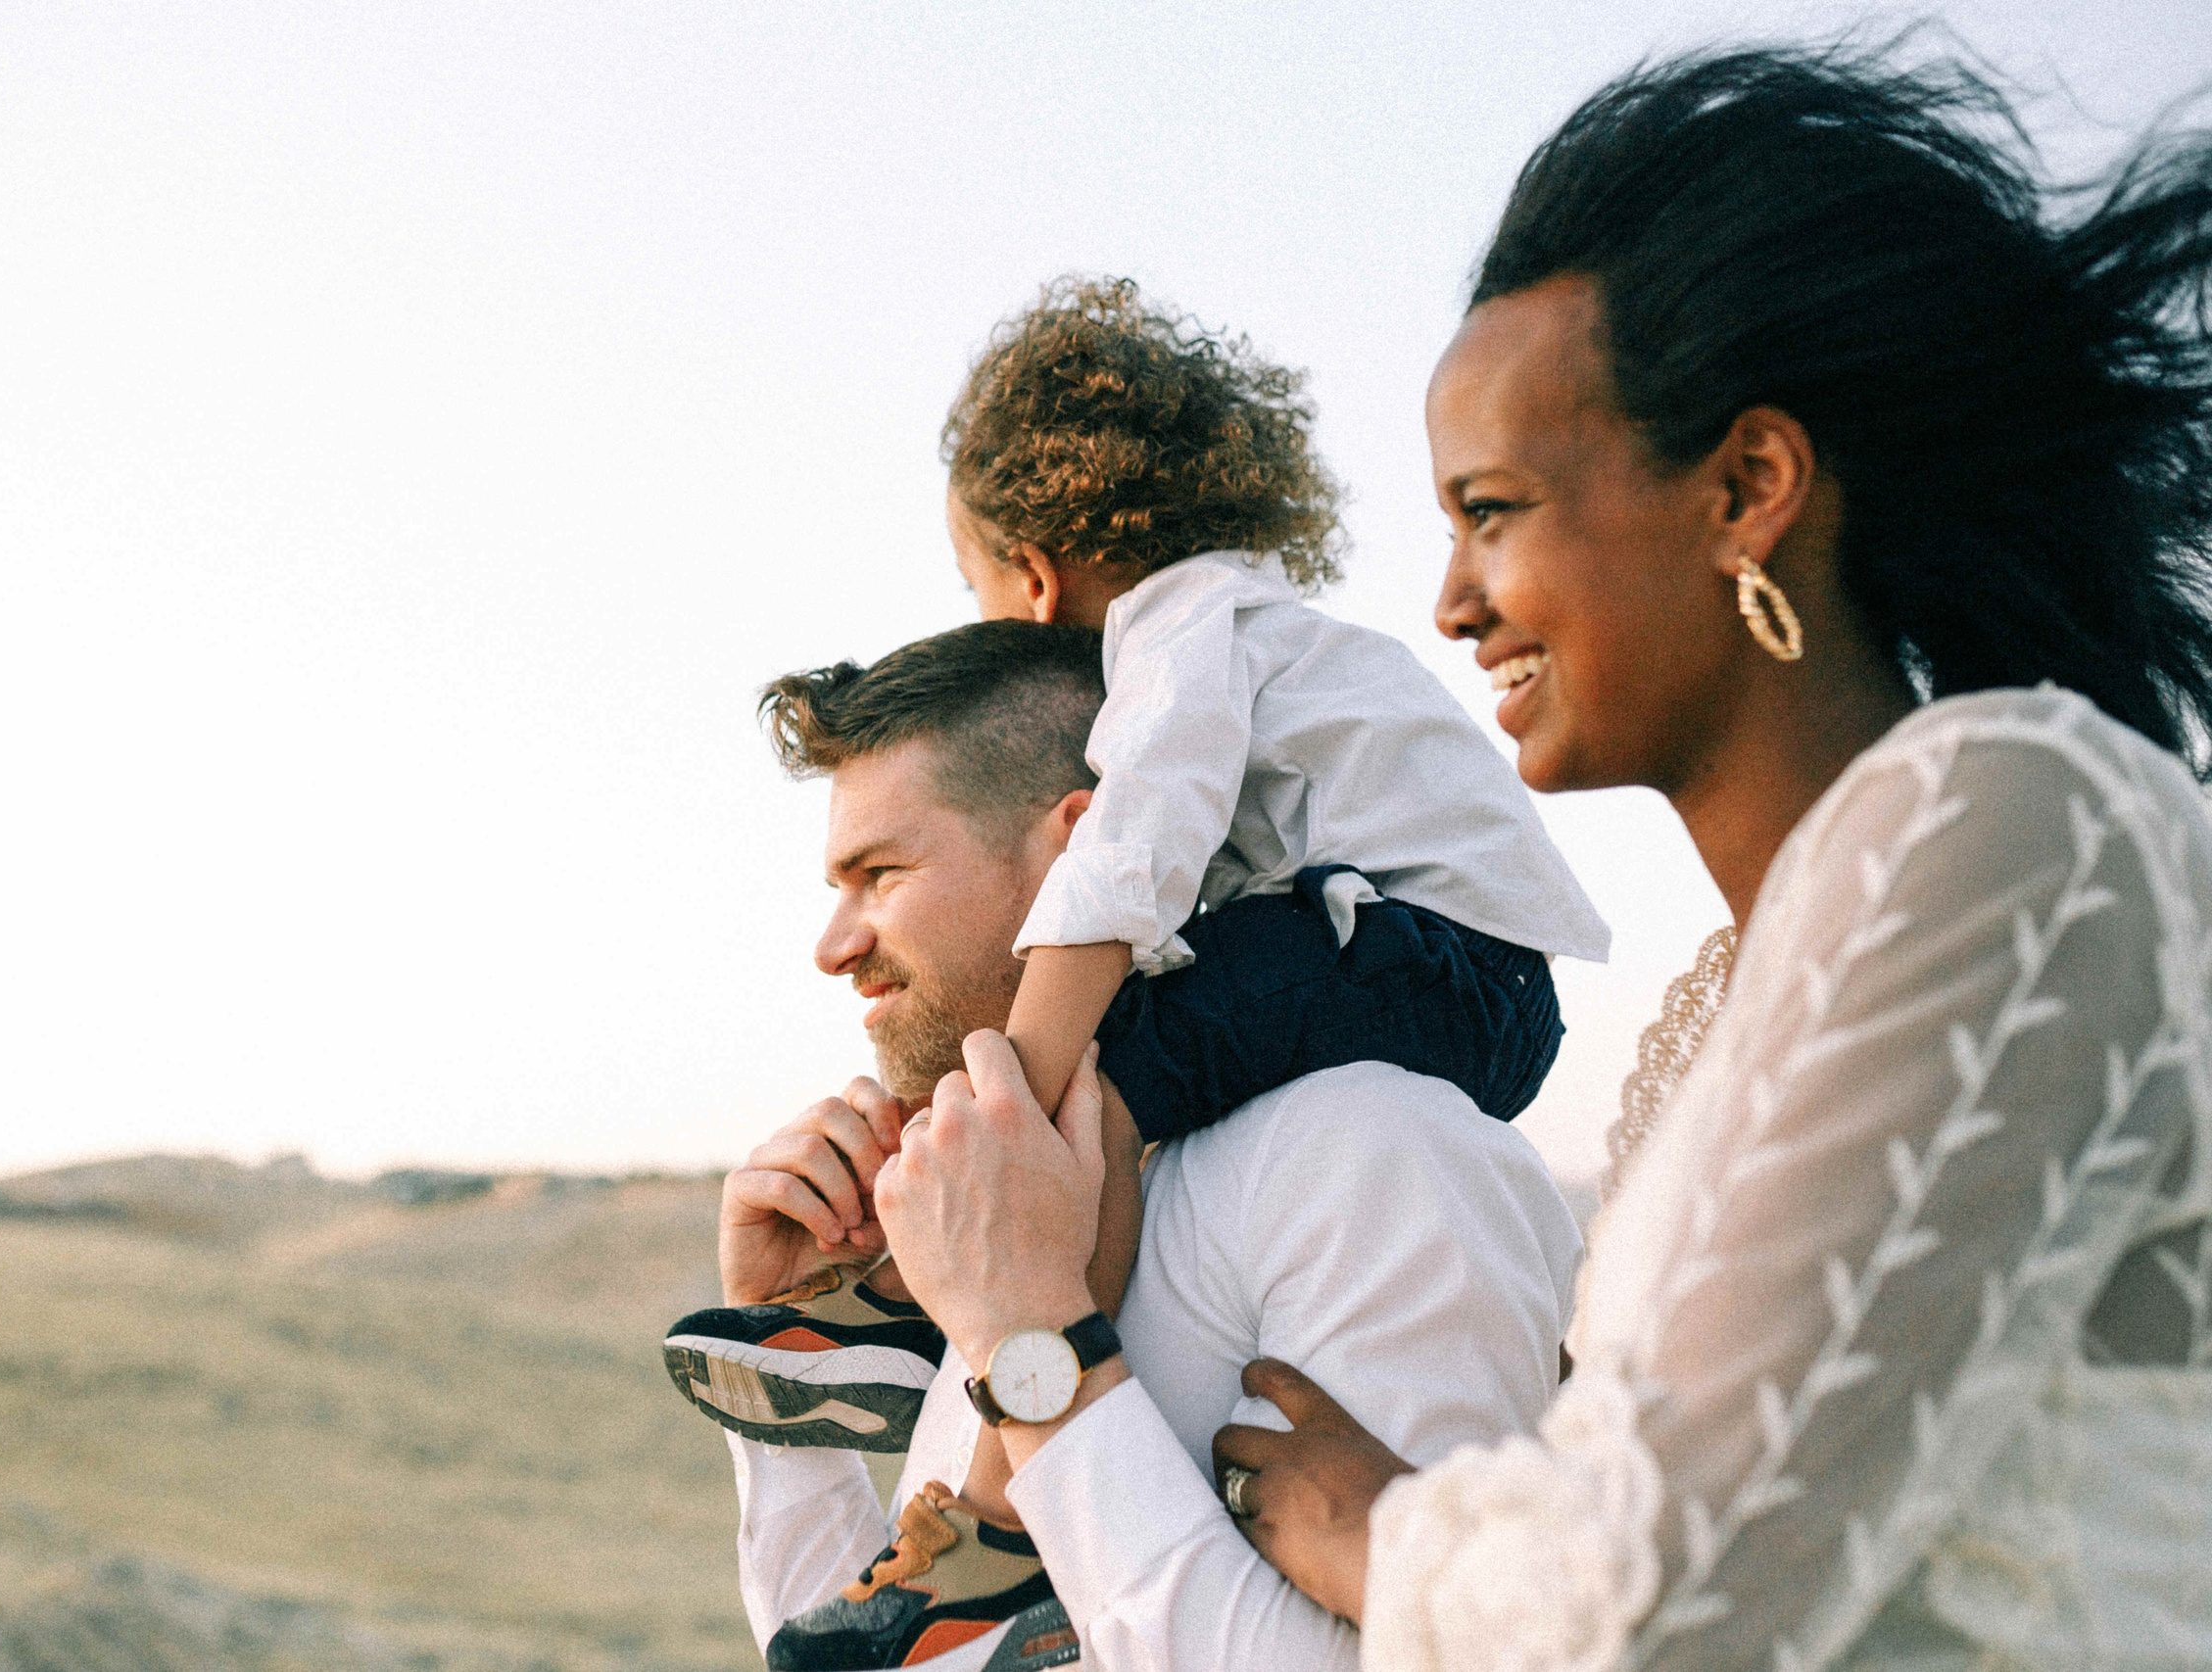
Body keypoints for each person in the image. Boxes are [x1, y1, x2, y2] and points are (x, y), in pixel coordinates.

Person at [875, 43, 2212, 1672]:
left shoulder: (2008, 817)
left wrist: (1364, 1520)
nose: (1448, 603)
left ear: (1749, 489)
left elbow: (1650, 1610)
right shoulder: (1735, 1002)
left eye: (1493, 512)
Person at [665, 278, 1609, 1568]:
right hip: (1428, 961)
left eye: (879, 870)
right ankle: (941, 1383)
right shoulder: (1250, 629)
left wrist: (1008, 1101)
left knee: (1096, 1087)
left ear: (1038, 580)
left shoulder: (1186, 634)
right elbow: (845, 1655)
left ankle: (993, 1476)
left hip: (1440, 961)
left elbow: (1130, 855)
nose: (836, 941)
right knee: (1104, 1091)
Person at [695, 621, 1584, 1668]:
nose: (833, 946)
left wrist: (1039, 1349)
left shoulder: (1378, 1150)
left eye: (879, 875)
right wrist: (783, 1352)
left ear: (1078, 850)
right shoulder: (1007, 1205)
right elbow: (897, 1658)